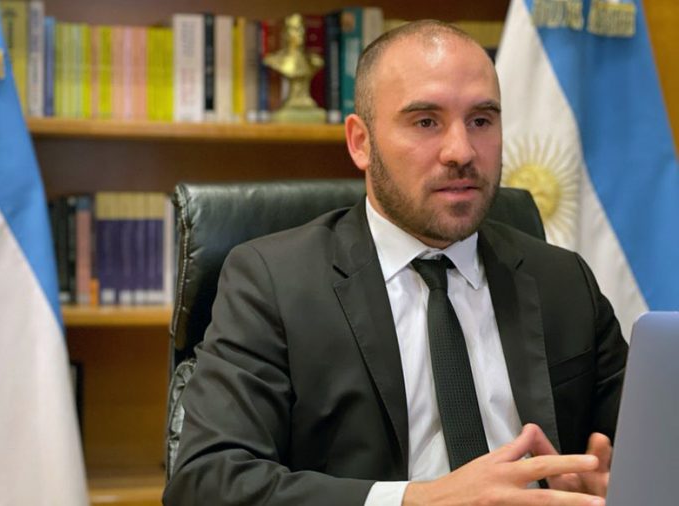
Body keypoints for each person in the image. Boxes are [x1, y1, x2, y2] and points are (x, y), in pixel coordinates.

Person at [163, 20, 627, 506]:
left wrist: (622, 483)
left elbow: (649, 441)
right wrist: (417, 500)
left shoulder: (562, 280)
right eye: (426, 122)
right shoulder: (273, 283)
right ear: (360, 142)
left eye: (481, 120)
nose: (461, 151)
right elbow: (207, 483)